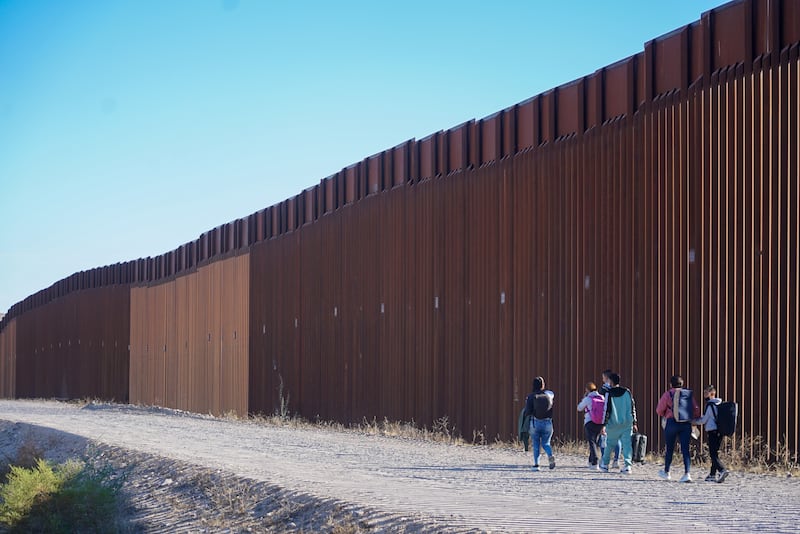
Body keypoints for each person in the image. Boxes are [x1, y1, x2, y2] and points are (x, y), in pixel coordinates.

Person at [656, 375, 701, 482]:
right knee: (685, 449)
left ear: (671, 384)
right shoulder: (688, 395)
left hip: (671, 423)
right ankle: (687, 473)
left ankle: (667, 472)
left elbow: (659, 410)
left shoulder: (668, 394)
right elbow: (696, 409)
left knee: (670, 448)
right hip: (686, 424)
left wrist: (666, 414)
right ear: (682, 384)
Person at [599, 372, 637, 474]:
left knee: (610, 444)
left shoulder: (609, 393)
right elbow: (632, 406)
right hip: (626, 422)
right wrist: (634, 422)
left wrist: (603, 424)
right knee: (627, 444)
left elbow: (606, 409)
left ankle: (605, 464)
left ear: (610, 381)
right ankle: (627, 466)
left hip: (613, 423)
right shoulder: (627, 391)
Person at [693, 385, 730, 483]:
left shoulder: (710, 405)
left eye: (706, 393)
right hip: (720, 431)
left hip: (712, 431)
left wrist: (693, 421)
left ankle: (722, 470)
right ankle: (712, 475)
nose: (705, 395)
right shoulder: (720, 404)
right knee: (715, 452)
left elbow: (704, 420)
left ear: (712, 394)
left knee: (713, 454)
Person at [524, 376, 556, 471]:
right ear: (543, 385)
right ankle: (550, 455)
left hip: (536, 422)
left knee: (536, 444)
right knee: (546, 443)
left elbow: (528, 411)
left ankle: (537, 464)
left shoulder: (531, 396)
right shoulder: (549, 395)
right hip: (548, 422)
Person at [576, 381, 604, 469]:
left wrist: (584, 398)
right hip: (600, 423)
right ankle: (591, 461)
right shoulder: (602, 397)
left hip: (590, 422)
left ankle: (595, 461)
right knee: (595, 442)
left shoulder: (588, 399)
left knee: (592, 442)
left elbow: (579, 408)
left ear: (587, 389)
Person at [599, 369, 621, 468]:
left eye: (603, 377)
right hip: (619, 418)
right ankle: (616, 459)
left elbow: (605, 406)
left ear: (607, 378)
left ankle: (605, 459)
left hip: (609, 417)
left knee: (604, 438)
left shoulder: (605, 390)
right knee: (617, 439)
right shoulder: (622, 391)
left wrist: (603, 421)